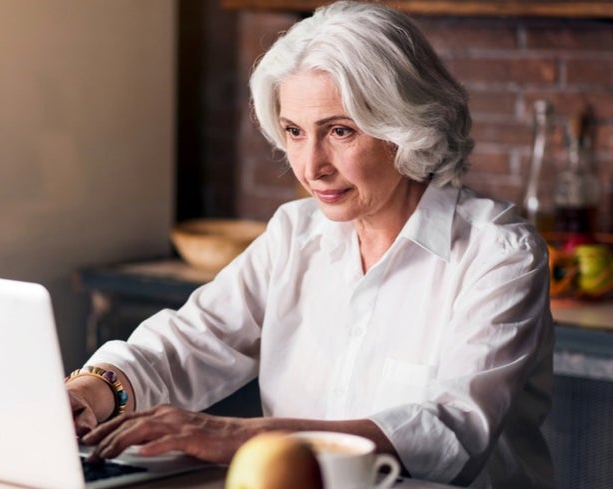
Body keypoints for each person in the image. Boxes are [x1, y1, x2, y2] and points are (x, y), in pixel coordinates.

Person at [64, 1, 554, 487]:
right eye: (295, 132)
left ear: (405, 129)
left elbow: (449, 430)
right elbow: (189, 342)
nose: (311, 166)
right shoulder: (294, 234)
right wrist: (94, 389)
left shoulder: (499, 253)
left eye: (339, 131)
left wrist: (237, 437)